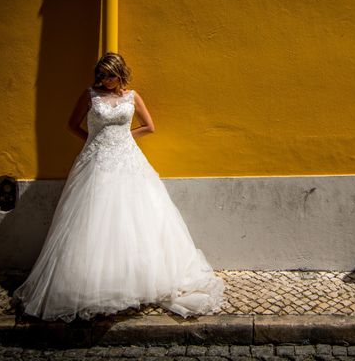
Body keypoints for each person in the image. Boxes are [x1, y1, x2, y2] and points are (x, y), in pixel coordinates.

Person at [14, 53, 224, 321]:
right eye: (101, 75)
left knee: (137, 218)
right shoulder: (89, 95)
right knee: (94, 219)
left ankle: (135, 280)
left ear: (121, 74)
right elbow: (72, 125)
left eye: (110, 75)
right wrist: (96, 140)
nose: (105, 80)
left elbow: (149, 126)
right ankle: (94, 284)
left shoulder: (132, 97)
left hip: (128, 160)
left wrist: (124, 138)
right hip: (97, 161)